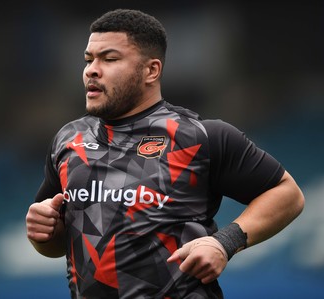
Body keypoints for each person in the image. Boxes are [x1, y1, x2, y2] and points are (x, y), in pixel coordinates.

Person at [25, 8, 304, 299]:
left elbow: (288, 194)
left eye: (109, 59)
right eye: (88, 59)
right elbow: (54, 246)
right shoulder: (68, 140)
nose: (92, 70)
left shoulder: (201, 137)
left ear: (151, 70)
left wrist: (224, 242)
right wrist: (42, 233)